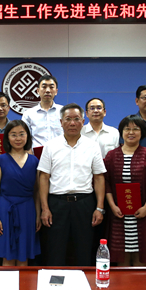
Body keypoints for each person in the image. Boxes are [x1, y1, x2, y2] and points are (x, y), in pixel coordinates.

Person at [38, 103, 106, 266]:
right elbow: (44, 177)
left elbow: (99, 178)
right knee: (55, 249)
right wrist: (45, 208)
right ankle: (54, 281)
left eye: (76, 119)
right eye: (68, 119)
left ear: (83, 121)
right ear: (61, 122)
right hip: (57, 204)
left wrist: (99, 208)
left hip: (84, 203)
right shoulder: (51, 146)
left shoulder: (92, 146)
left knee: (84, 249)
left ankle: (85, 281)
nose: (72, 123)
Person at [103, 115, 146, 266]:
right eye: (127, 129)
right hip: (118, 214)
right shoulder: (111, 155)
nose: (131, 132)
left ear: (142, 132)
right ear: (121, 132)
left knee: (140, 256)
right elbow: (106, 183)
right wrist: (112, 206)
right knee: (120, 257)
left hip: (143, 213)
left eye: (135, 129)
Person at [0, 120, 41, 266]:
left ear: (27, 136)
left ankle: (22, 282)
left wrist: (38, 215)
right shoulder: (0, 160)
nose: (18, 138)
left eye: (21, 134)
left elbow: (37, 191)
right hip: (5, 210)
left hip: (27, 209)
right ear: (7, 137)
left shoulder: (34, 161)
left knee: (23, 256)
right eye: (13, 135)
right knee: (7, 256)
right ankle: (7, 282)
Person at [22, 74, 62, 147]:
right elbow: (24, 138)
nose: (47, 90)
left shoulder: (63, 112)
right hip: (37, 153)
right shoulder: (28, 114)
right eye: (44, 87)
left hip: (60, 152)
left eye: (51, 87)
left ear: (56, 91)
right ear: (38, 91)